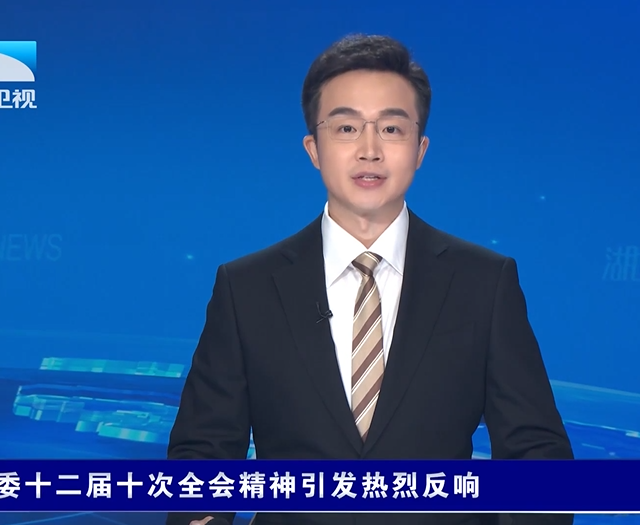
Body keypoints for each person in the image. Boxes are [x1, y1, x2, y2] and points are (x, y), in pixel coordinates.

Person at [167, 34, 574, 525]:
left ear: (420, 149)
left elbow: (536, 451)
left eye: (391, 129)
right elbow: (205, 451)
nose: (369, 150)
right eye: (346, 128)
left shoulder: (484, 283)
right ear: (314, 148)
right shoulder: (246, 288)